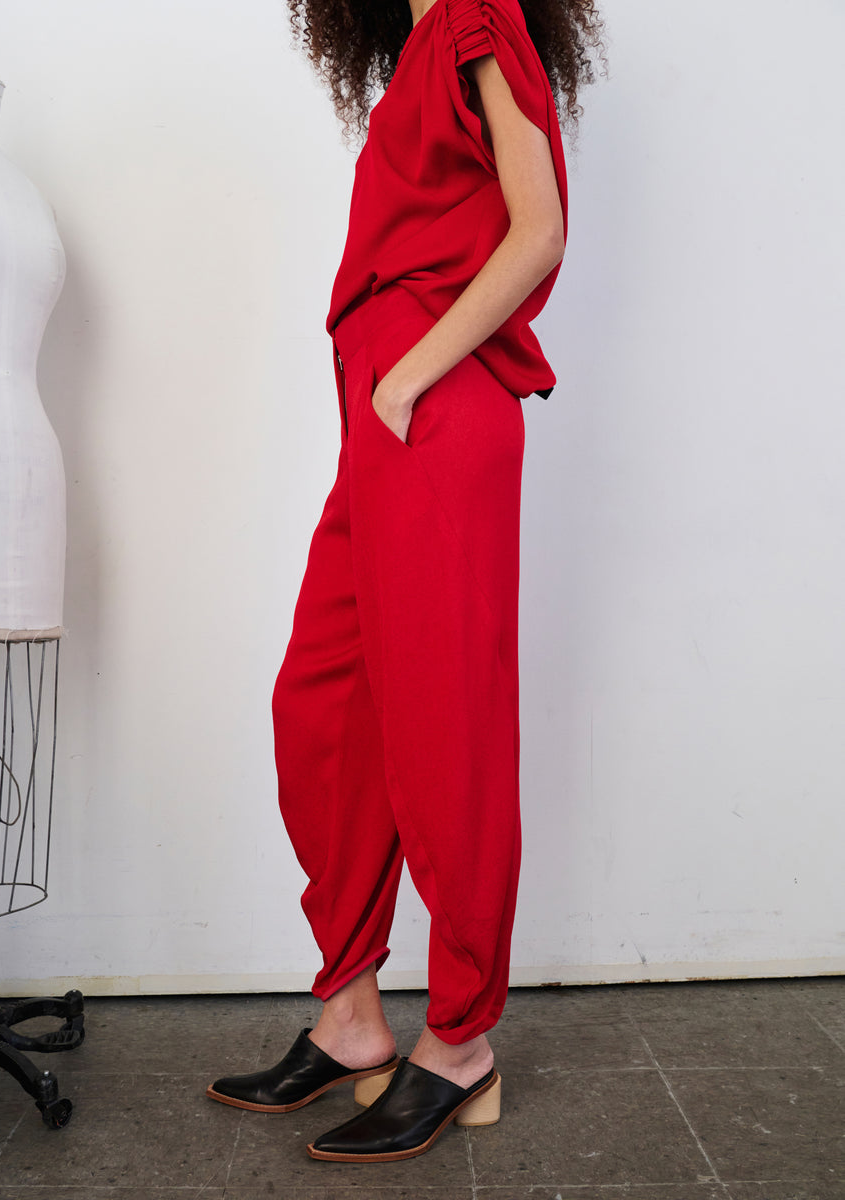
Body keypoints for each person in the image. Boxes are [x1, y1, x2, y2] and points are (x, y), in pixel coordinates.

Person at [207, 0, 604, 1163]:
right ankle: (350, 1017)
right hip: (383, 418)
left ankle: (463, 1040)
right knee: (325, 700)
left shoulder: (481, 21)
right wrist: (378, 399)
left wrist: (408, 380)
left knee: (446, 725)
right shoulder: (424, 49)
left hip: (434, 404)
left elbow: (539, 231)